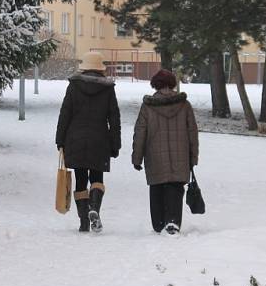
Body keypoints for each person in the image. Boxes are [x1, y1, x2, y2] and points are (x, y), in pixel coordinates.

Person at [56, 51, 121, 233]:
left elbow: (65, 113)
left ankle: (84, 221)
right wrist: (115, 144)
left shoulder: (74, 87)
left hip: (75, 140)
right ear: (101, 69)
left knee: (80, 180)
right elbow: (114, 118)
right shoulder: (108, 89)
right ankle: (94, 208)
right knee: (97, 179)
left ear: (83, 67)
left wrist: (60, 140)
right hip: (99, 140)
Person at [131, 69, 199, 235]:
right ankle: (173, 221)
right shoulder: (184, 105)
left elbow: (140, 133)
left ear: (156, 85)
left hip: (155, 157)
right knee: (175, 187)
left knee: (157, 187)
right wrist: (193, 156)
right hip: (180, 155)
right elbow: (192, 132)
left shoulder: (148, 106)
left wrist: (137, 158)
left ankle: (158, 223)